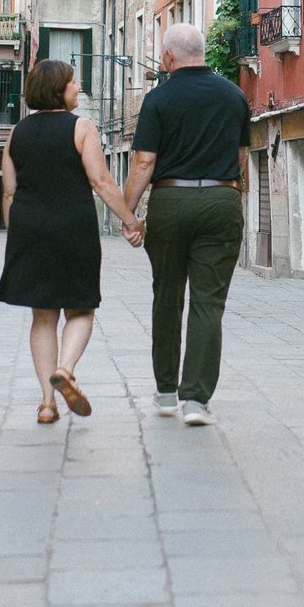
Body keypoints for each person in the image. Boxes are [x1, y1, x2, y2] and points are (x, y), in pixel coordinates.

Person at [0, 59, 144, 425]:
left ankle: (47, 404)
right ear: (58, 90)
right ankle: (65, 368)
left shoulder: (17, 133)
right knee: (80, 308)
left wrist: (15, 237)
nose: (78, 88)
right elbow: (101, 181)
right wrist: (131, 221)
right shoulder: (82, 128)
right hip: (72, 226)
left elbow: (9, 193)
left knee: (42, 316)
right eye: (74, 83)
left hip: (29, 229)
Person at [122, 24, 250, 426]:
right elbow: (242, 158)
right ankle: (195, 400)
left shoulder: (159, 99)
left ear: (168, 57)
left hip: (171, 200)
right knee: (208, 302)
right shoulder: (235, 96)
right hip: (221, 197)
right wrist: (230, 196)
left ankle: (165, 392)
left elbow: (144, 163)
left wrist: (130, 215)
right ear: (202, 53)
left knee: (168, 295)